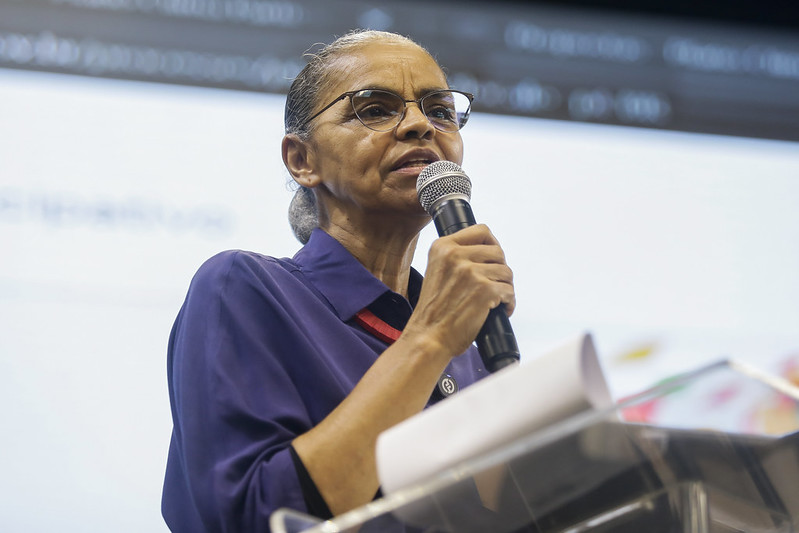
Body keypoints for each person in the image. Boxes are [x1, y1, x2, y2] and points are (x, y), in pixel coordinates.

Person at [161, 29, 515, 532]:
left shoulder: (468, 344)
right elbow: (253, 518)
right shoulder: (245, 288)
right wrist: (432, 337)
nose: (420, 124)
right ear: (302, 160)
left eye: (439, 109)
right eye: (375, 108)